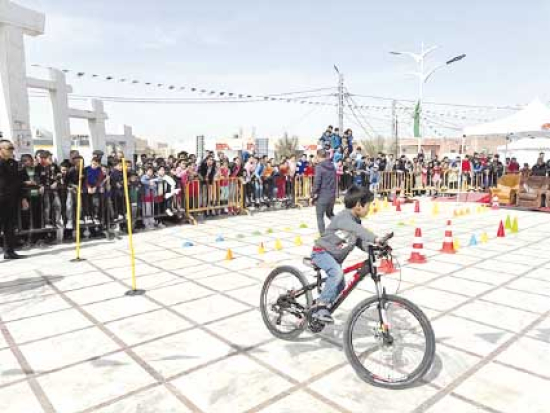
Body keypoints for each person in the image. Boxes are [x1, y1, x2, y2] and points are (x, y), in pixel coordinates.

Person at [310, 186, 384, 323]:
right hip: (321, 253)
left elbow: (358, 241)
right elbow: (357, 230)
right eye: (368, 205)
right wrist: (375, 238)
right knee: (337, 274)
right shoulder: (344, 218)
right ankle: (321, 306)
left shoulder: (355, 221)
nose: (369, 209)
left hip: (334, 258)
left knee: (340, 285)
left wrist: (373, 249)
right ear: (358, 205)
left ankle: (321, 305)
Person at [0, 140, 28, 259]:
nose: (12, 151)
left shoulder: (14, 164)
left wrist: (23, 198)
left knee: (10, 226)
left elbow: (19, 182)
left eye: (12, 148)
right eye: (9, 148)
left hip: (11, 200)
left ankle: (9, 251)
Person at [312, 149, 336, 235]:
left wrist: (313, 193)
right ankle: (344, 226)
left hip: (322, 195)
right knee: (330, 214)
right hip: (332, 195)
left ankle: (323, 236)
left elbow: (317, 182)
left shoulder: (319, 167)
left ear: (318, 156)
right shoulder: (332, 166)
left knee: (320, 217)